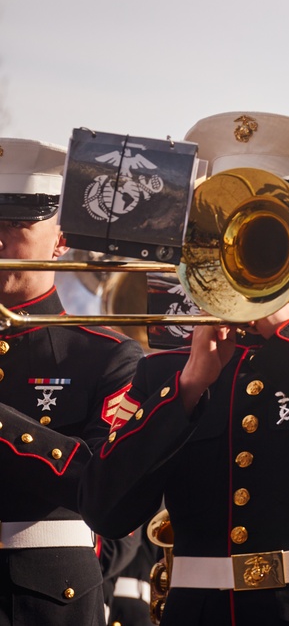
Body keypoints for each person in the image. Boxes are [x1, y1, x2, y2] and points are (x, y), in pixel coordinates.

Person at [78, 112, 289, 626]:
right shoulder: (169, 367)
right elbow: (106, 510)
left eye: (271, 235)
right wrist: (188, 389)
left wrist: (287, 332)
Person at [0, 137, 144, 625]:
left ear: (60, 237)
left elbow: (107, 489)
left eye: (16, 222)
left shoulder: (106, 355)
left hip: (42, 598)